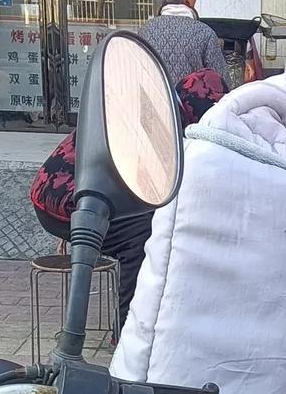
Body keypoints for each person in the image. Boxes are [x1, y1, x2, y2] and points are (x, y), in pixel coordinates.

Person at [30, 69, 224, 326]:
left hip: (60, 194)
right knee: (143, 239)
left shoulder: (158, 105)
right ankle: (129, 333)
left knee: (156, 225)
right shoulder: (163, 122)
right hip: (69, 202)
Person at [138, 0, 229, 92]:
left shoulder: (145, 32)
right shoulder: (204, 33)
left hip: (155, 109)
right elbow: (222, 84)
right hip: (193, 111)